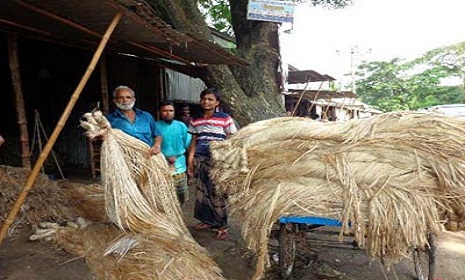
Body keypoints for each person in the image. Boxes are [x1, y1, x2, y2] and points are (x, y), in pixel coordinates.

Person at [187, 87, 237, 240]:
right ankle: (207, 221)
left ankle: (222, 226)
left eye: (210, 99)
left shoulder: (225, 118)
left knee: (218, 193)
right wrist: (190, 162)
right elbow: (194, 142)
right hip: (200, 159)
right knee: (202, 192)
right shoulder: (195, 119)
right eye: (204, 99)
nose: (206, 102)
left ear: (217, 102)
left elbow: (232, 139)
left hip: (218, 161)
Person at [107, 85, 162, 155]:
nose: (125, 100)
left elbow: (157, 135)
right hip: (123, 158)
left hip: (147, 156)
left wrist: (156, 146)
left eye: (128, 97)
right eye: (121, 97)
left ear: (134, 100)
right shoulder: (110, 119)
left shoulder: (146, 116)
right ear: (115, 101)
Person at [156, 100, 192, 206]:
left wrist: (191, 165)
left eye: (171, 110)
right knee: (165, 197)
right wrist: (165, 158)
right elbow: (150, 146)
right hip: (162, 166)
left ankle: (178, 216)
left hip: (180, 165)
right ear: (160, 112)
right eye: (165, 111)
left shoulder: (181, 126)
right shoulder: (155, 126)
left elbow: (188, 144)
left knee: (181, 197)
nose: (168, 113)